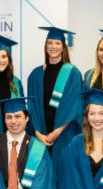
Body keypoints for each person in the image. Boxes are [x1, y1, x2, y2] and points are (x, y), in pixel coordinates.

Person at [26, 26, 83, 166]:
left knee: (63, 170)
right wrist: (38, 133)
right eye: (50, 43)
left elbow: (74, 106)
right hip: (41, 133)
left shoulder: (72, 73)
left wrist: (56, 133)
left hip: (64, 133)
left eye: (57, 43)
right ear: (45, 46)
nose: (53, 47)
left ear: (63, 47)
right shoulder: (35, 75)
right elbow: (32, 107)